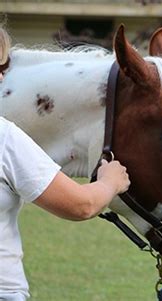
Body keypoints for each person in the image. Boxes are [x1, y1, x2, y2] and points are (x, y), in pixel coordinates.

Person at [0, 26, 131, 301]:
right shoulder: (5, 138)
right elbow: (81, 205)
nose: (3, 77)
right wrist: (110, 181)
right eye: (1, 67)